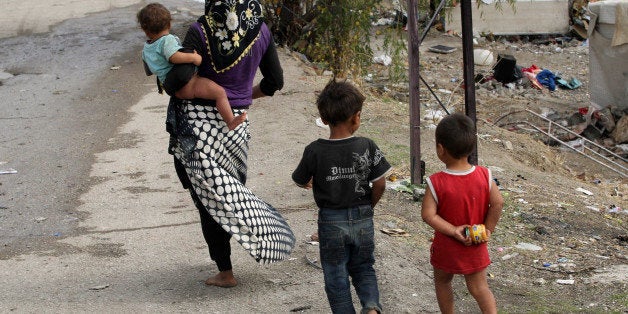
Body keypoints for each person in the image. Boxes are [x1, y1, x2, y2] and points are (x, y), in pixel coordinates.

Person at [165, 0, 294, 288]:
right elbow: (275, 81)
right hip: (236, 126)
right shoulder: (261, 30)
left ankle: (225, 269)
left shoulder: (199, 30)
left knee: (208, 197)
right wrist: (243, 98)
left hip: (197, 124)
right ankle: (252, 239)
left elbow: (179, 77)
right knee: (231, 191)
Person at [292, 80, 391, 314]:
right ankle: (371, 308)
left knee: (336, 276)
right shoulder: (367, 145)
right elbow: (380, 183)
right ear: (356, 117)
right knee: (365, 268)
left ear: (324, 119)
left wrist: (308, 180)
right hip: (363, 216)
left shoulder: (314, 150)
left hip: (330, 221)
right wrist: (369, 206)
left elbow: (299, 178)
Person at [420, 113, 504, 314]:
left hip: (447, 247)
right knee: (479, 288)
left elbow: (428, 215)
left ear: (440, 149)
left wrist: (453, 230)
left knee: (442, 282)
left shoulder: (436, 182)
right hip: (476, 242)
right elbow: (498, 203)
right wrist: (487, 230)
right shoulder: (484, 175)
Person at [137, 2, 246, 130]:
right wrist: (194, 58)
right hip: (188, 84)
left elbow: (149, 70)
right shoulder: (167, 40)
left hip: (173, 87)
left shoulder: (146, 49)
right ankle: (230, 120)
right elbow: (174, 57)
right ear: (169, 24)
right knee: (220, 93)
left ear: (144, 30)